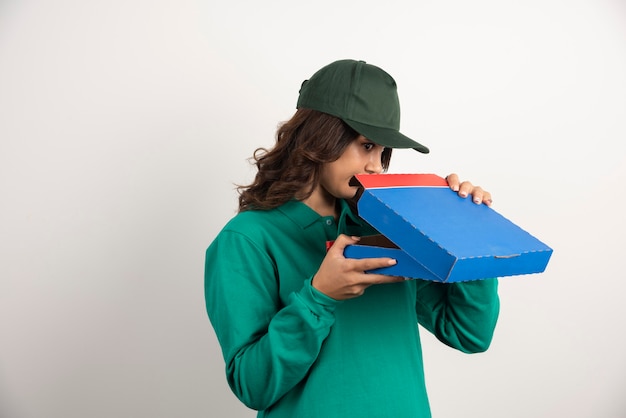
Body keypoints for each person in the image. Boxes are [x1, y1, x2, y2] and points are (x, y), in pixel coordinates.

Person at [204, 59, 499, 418]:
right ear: (318, 137)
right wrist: (319, 297)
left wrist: (468, 233)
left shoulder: (390, 228)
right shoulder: (246, 240)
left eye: (382, 152)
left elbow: (470, 334)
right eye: (366, 145)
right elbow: (252, 385)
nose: (376, 166)